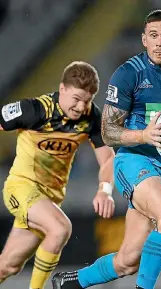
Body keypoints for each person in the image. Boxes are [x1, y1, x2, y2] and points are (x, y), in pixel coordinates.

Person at [52, 9, 161, 289]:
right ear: (144, 40)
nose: (160, 42)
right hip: (134, 161)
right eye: (153, 36)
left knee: (128, 261)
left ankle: (71, 283)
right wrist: (145, 135)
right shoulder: (128, 74)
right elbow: (108, 132)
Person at [0, 61, 116, 289]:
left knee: (8, 266)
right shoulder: (34, 109)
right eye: (76, 98)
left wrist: (105, 190)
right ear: (62, 89)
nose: (81, 107)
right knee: (60, 228)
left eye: (87, 100)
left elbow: (108, 158)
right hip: (21, 189)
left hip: (48, 200)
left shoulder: (91, 117)